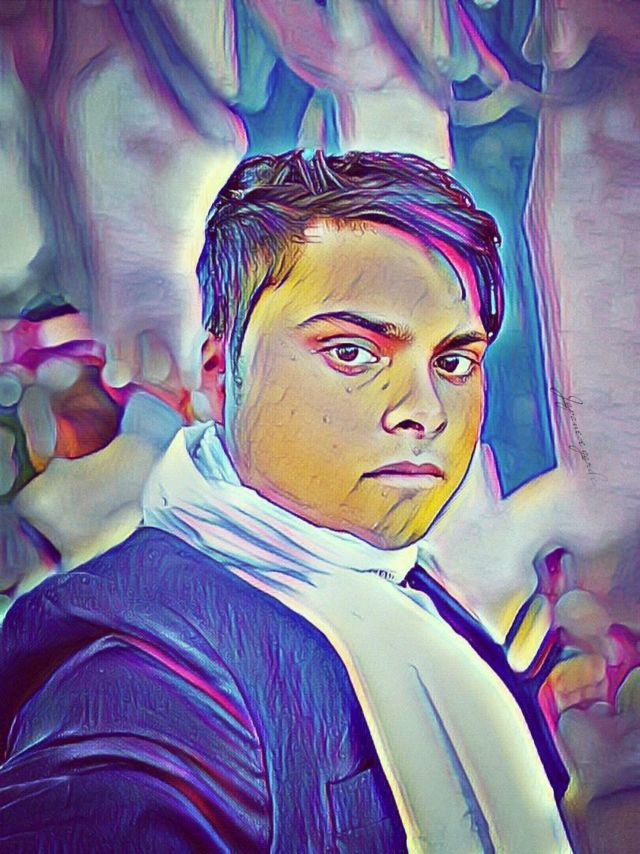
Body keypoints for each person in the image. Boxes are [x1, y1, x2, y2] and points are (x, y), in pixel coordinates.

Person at [0, 150, 571, 852]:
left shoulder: (392, 586)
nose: (425, 411)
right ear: (220, 374)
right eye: (352, 352)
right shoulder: (136, 686)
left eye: (453, 362)